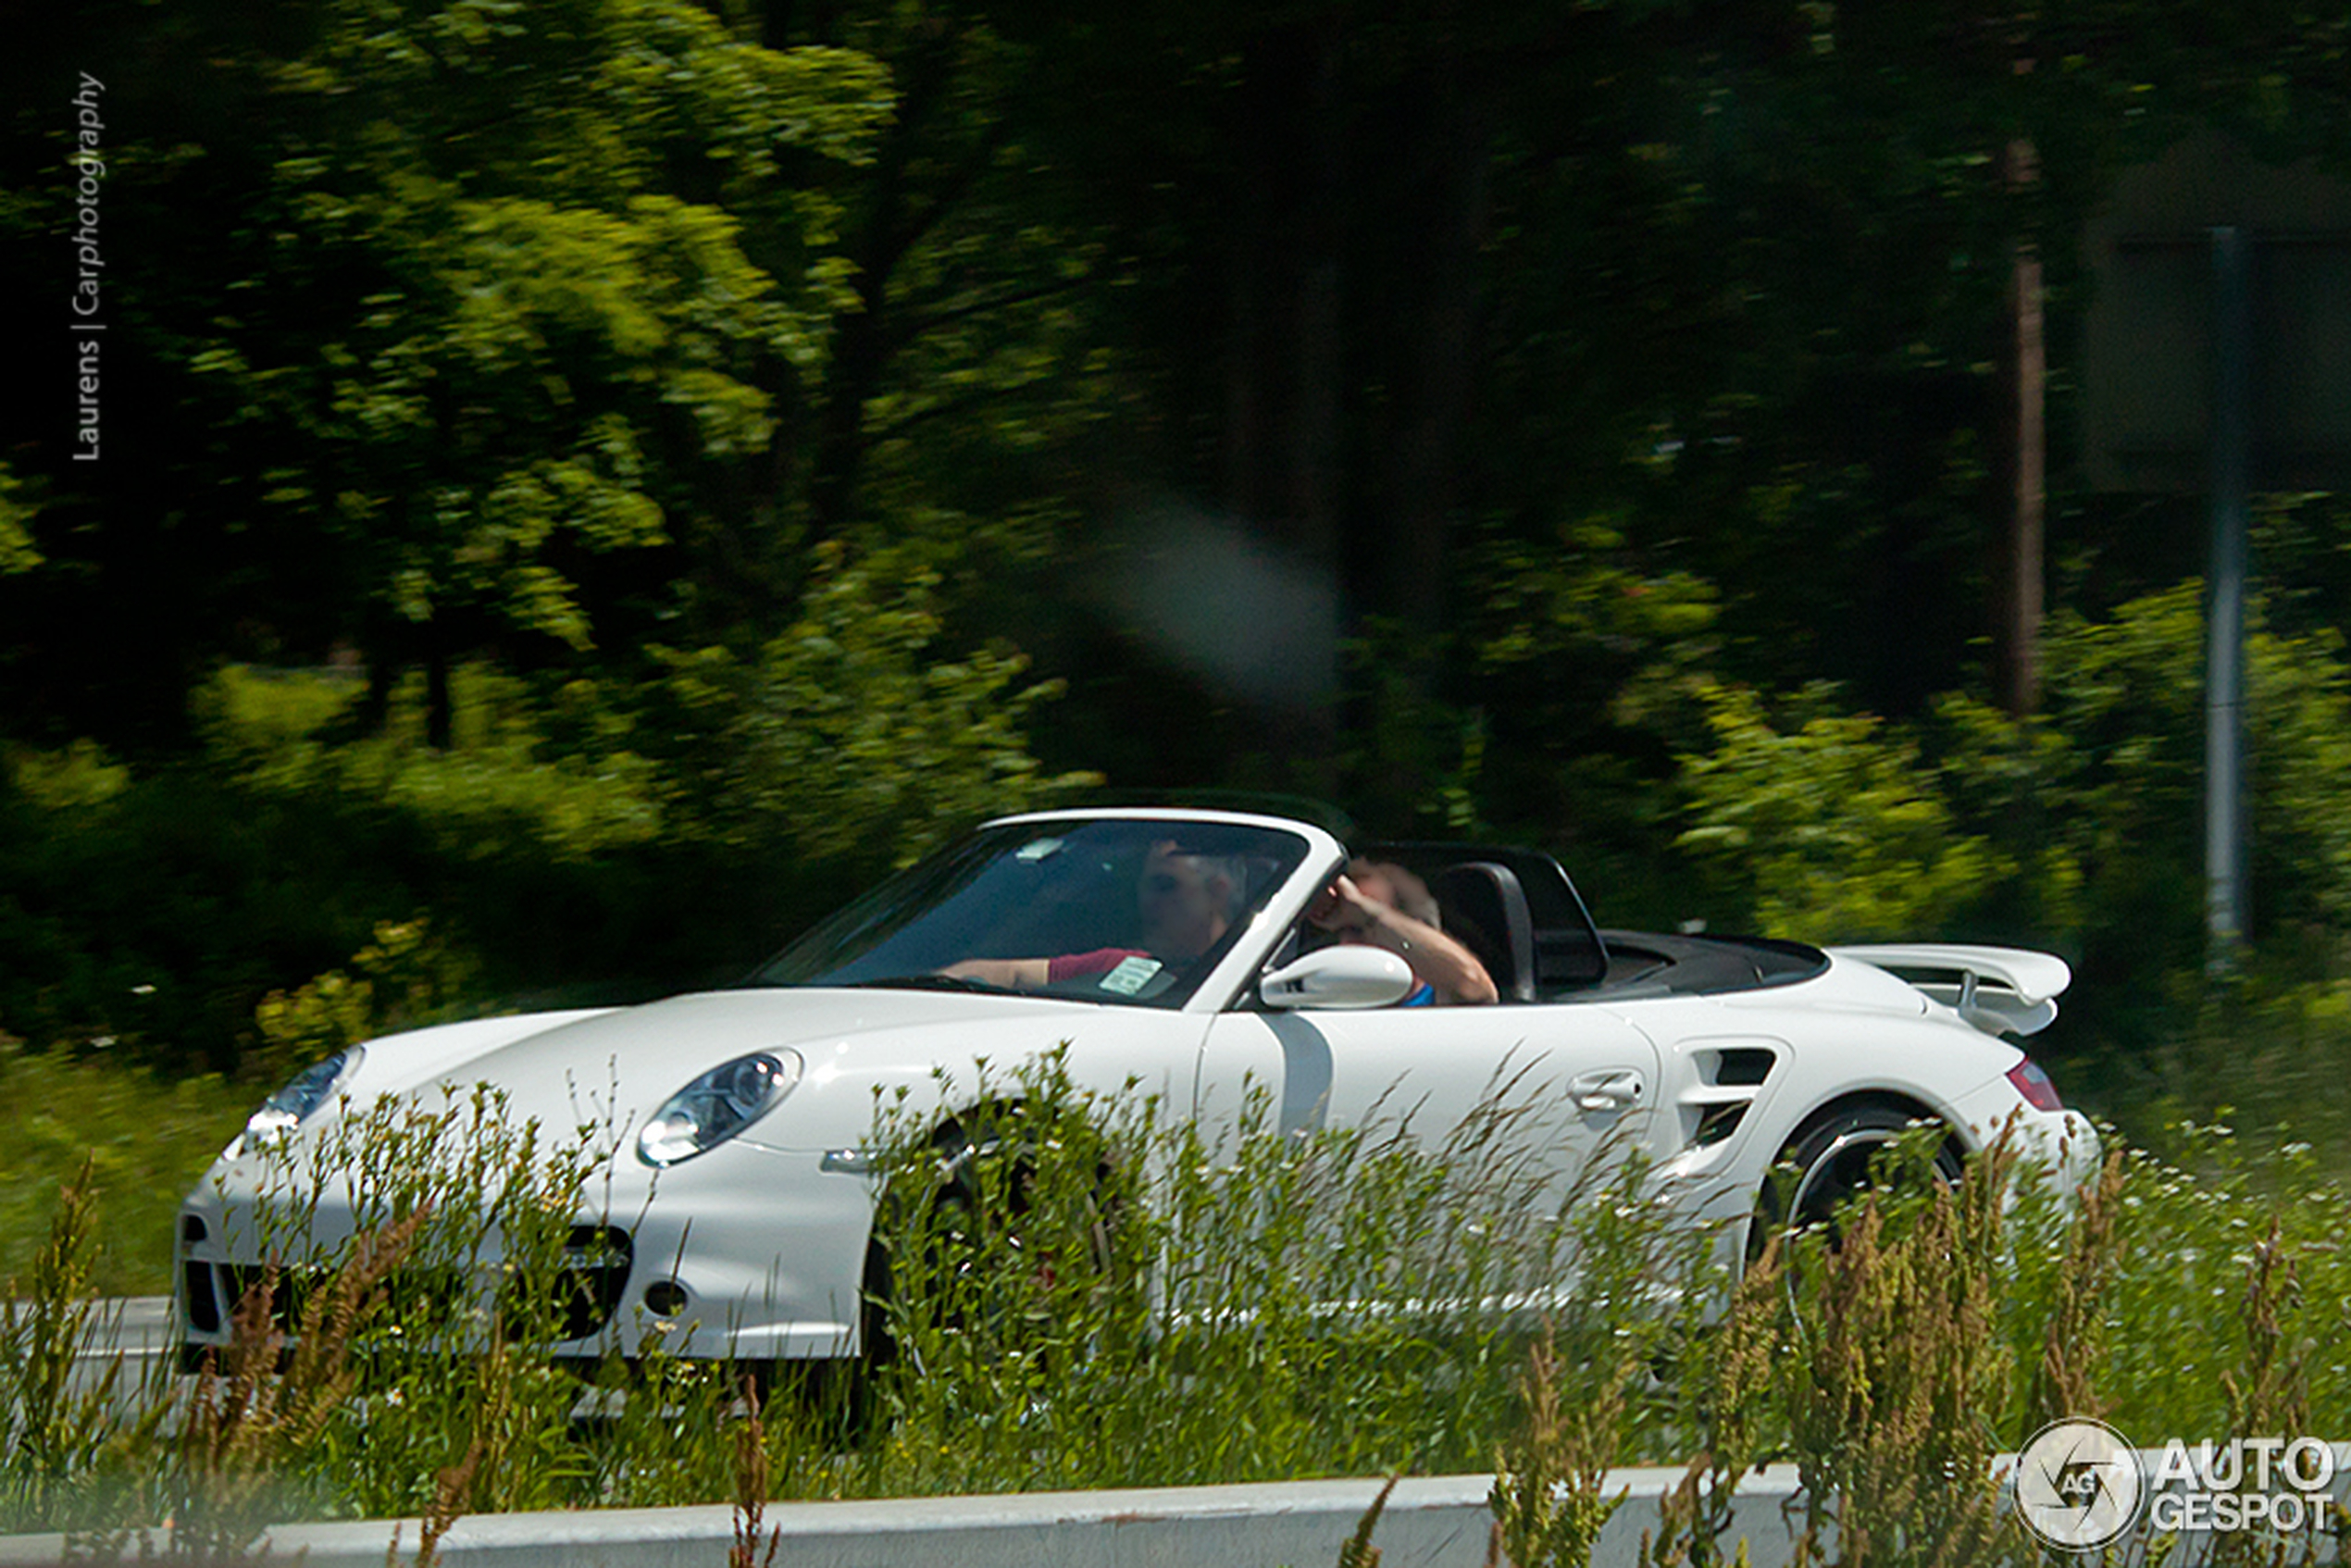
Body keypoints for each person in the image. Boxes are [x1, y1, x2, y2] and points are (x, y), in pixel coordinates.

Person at [942, 840, 1247, 990]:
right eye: (1144, 887)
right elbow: (1014, 973)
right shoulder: (1122, 965)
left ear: (1218, 891)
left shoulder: (1255, 980)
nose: (1148, 901)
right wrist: (934, 985)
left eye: (1165, 886)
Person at [1306, 859, 1498, 1007]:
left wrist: (1369, 913)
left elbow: (1473, 986)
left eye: (1362, 928)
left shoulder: (1439, 1000)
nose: (1351, 943)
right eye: (1344, 930)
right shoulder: (1319, 1001)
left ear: (1415, 933)